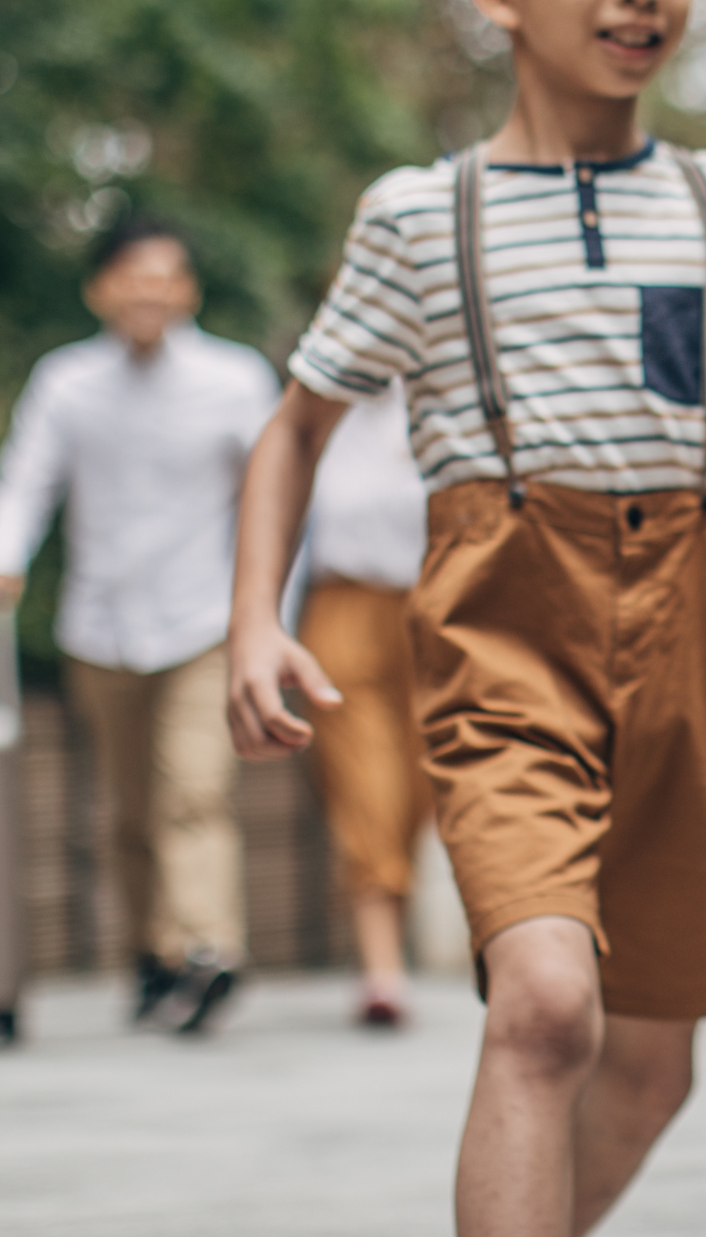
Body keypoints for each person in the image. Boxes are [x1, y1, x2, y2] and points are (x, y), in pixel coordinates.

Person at [221, 0, 706, 1237]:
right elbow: (297, 430)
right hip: (501, 620)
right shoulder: (419, 216)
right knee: (544, 1007)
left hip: (687, 628)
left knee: (649, 1065)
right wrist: (251, 624)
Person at [0, 214, 276, 1035]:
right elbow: (23, 481)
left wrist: (277, 609)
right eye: (131, 275)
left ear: (190, 291)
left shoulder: (236, 380)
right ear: (99, 289)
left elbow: (277, 495)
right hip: (102, 625)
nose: (149, 291)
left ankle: (209, 948)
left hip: (204, 621)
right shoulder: (65, 383)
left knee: (194, 792)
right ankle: (154, 954)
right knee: (130, 811)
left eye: (166, 275)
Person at [292, 377, 434, 1029]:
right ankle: (382, 969)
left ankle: (391, 947)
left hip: (434, 611)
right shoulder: (312, 408)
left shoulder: (449, 392)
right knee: (365, 786)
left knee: (418, 784)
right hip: (341, 607)